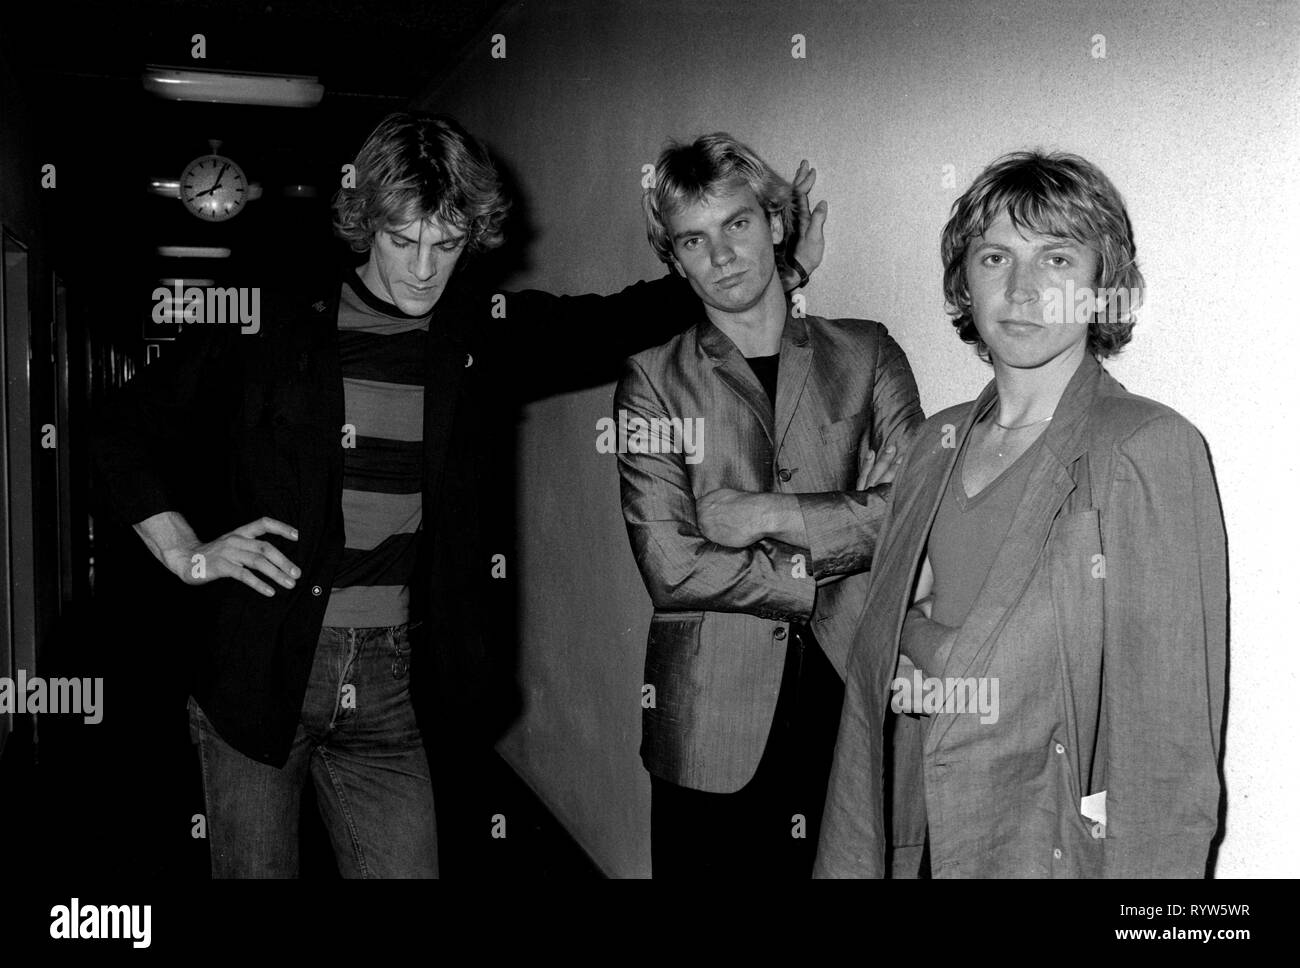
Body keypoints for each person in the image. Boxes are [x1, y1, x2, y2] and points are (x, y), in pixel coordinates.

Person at [92, 112, 827, 878]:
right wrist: (188, 554)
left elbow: (616, 320)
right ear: (364, 225)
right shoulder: (271, 324)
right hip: (259, 668)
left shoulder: (476, 331)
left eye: (445, 246)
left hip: (392, 682)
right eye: (401, 241)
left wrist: (782, 265)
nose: (421, 269)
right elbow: (120, 427)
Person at [815, 150, 1227, 878]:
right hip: (927, 827)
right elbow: (881, 624)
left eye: (1058, 258)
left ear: (1102, 286)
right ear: (964, 283)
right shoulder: (934, 443)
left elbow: (1169, 749)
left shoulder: (1147, 447)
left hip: (1048, 844)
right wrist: (915, 645)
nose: (1024, 289)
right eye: (996, 256)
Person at [616, 133, 923, 878]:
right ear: (675, 257)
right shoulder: (651, 381)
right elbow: (672, 566)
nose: (721, 256)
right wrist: (843, 531)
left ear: (777, 225)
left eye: (738, 224)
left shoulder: (868, 352)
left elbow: (915, 522)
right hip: (710, 722)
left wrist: (767, 513)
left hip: (850, 692)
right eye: (695, 239)